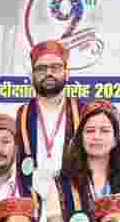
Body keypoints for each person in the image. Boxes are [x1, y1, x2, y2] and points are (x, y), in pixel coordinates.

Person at [14, 40, 81, 190]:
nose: (48, 73)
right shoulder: (22, 114)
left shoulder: (83, 111)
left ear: (67, 73)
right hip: (32, 196)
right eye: (41, 69)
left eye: (55, 67)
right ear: (32, 75)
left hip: (74, 196)